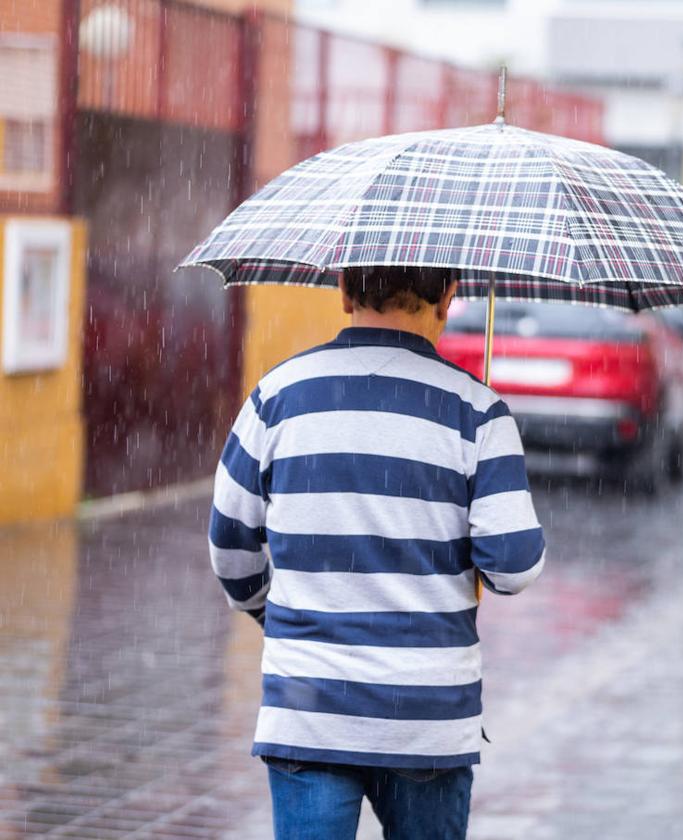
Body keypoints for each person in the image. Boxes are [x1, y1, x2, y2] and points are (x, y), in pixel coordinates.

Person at [207, 265, 546, 840]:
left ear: (343, 290)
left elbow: (231, 553)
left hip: (307, 707)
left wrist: (285, 620)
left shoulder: (277, 397)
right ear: (448, 296)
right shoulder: (478, 411)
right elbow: (512, 567)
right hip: (427, 721)